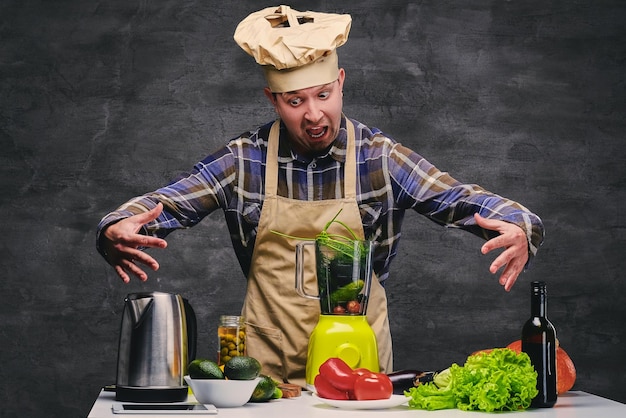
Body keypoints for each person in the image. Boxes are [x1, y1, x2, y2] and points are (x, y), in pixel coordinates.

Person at [96, 6, 544, 386]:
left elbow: (460, 198)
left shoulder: (379, 158)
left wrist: (521, 225)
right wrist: (115, 227)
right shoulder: (243, 160)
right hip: (264, 369)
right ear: (273, 99)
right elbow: (166, 202)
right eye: (295, 101)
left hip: (358, 365)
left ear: (341, 82)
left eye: (324, 95)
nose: (314, 115)